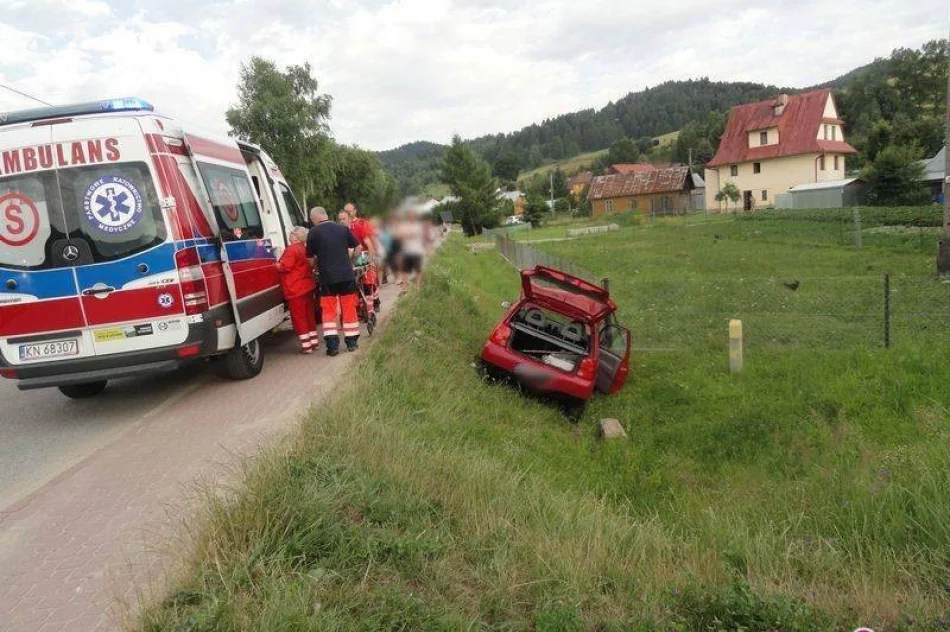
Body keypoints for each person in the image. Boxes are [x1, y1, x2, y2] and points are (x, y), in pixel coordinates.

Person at [306, 206, 360, 356]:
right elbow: (358, 247)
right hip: (346, 275)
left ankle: (332, 347)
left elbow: (310, 259)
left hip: (327, 278)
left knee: (329, 311)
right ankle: (352, 343)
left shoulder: (313, 233)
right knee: (349, 308)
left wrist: (316, 265)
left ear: (314, 219)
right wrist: (351, 262)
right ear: (326, 215)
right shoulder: (342, 229)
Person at [276, 226, 318, 354]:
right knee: (309, 315)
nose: (290, 235)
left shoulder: (291, 249)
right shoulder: (304, 248)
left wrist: (275, 264)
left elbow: (285, 266)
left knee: (299, 318)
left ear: (296, 236)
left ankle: (306, 346)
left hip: (295, 288)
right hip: (307, 286)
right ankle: (314, 342)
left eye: (292, 233)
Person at [340, 203, 382, 312]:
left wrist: (371, 258)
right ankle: (362, 306)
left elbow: (369, 242)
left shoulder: (361, 224)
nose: (348, 213)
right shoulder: (342, 227)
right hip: (350, 257)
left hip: (363, 255)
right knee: (355, 283)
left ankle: (374, 303)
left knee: (367, 281)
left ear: (355, 211)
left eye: (349, 211)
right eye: (346, 211)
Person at [397, 210, 426, 292]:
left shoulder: (419, 226)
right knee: (404, 270)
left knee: (418, 270)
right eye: (410, 216)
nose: (411, 217)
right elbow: (400, 236)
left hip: (417, 251)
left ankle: (418, 287)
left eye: (413, 216)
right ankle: (405, 287)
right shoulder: (404, 225)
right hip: (406, 251)